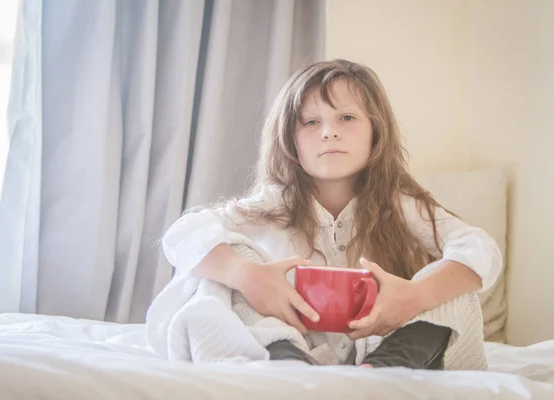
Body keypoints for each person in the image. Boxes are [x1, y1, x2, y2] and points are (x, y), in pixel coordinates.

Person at [157, 59, 502, 369]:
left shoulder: (398, 202)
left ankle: (380, 374)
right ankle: (285, 362)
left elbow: (478, 247)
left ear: (375, 132)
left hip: (381, 351)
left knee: (454, 283)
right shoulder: (273, 203)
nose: (329, 131)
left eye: (347, 117)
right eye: (310, 122)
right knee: (222, 268)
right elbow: (184, 233)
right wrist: (247, 275)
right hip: (290, 346)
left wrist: (416, 296)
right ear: (291, 142)